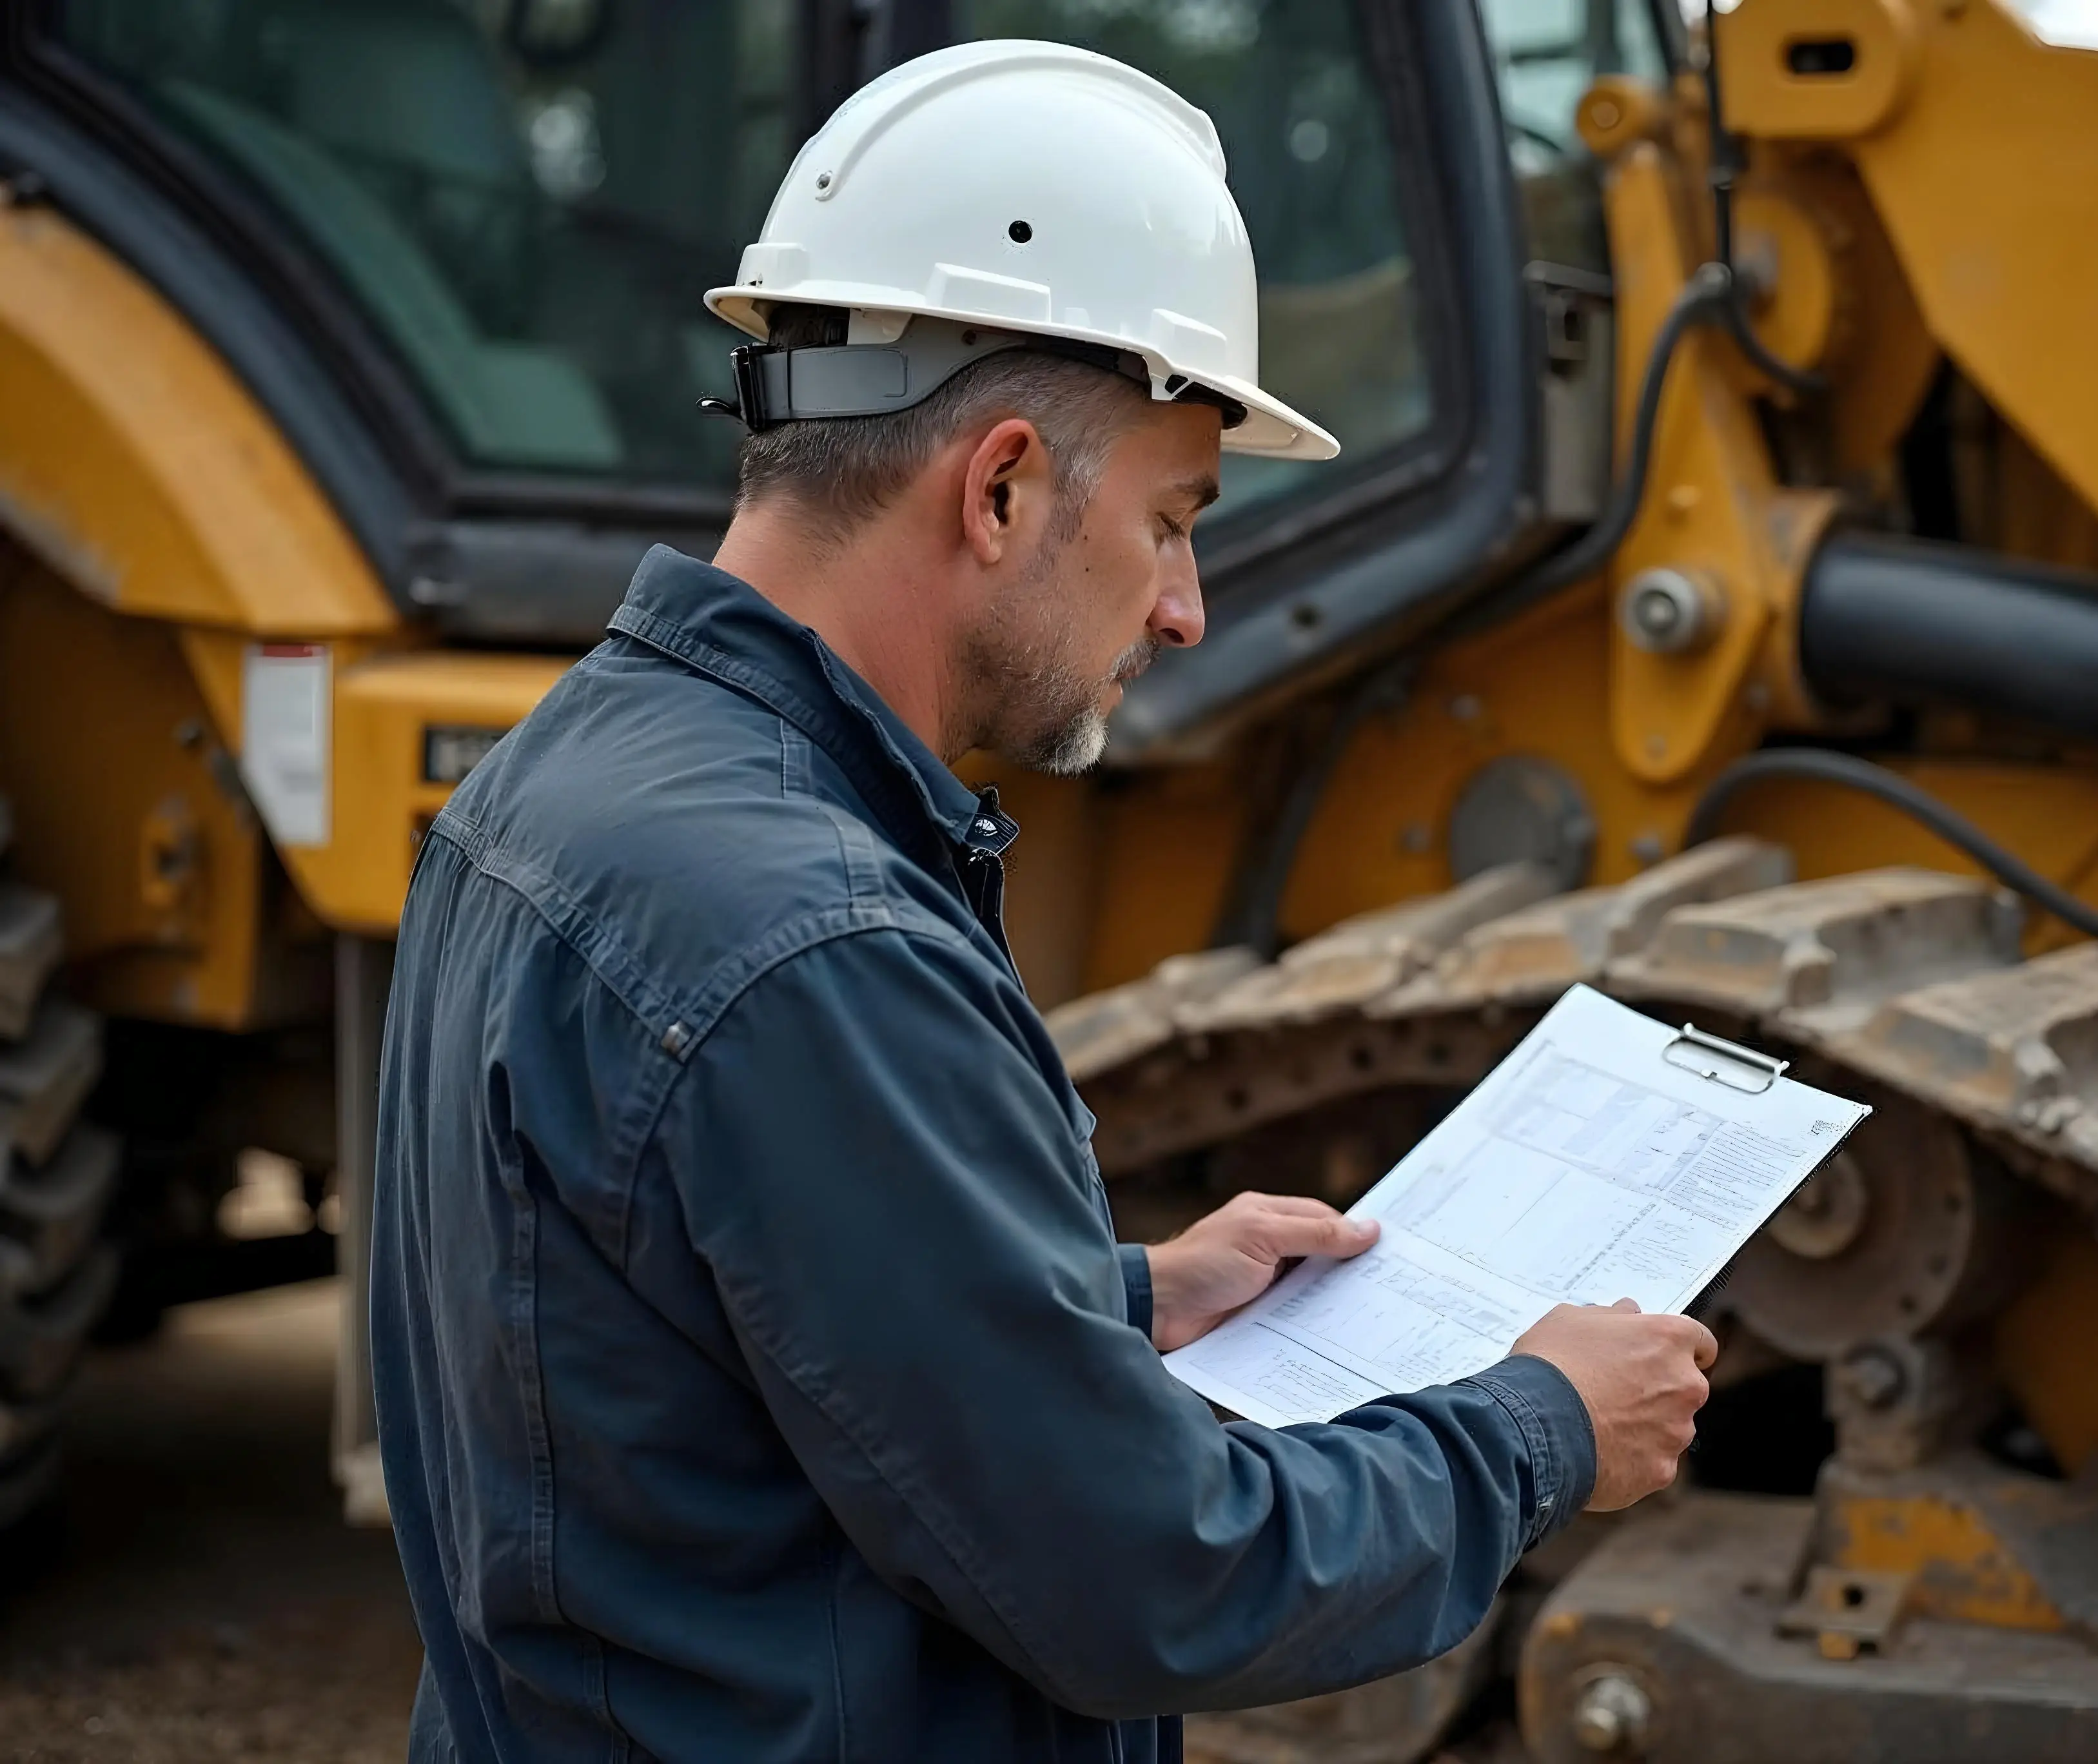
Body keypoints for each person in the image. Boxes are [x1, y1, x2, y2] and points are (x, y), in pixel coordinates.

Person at [371, 39, 1716, 1763]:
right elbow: (1151, 1579)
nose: (1186, 609)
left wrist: (1116, 1299)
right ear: (998, 488)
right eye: (1170, 522)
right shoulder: (813, 945)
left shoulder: (566, 782)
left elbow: (685, 1340)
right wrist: (1541, 1426)